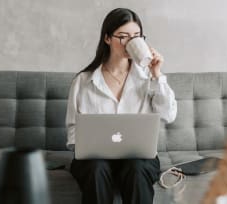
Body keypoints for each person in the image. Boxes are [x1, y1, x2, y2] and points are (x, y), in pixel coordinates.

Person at [65, 8, 178, 204]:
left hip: (138, 158)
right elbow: (73, 131)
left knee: (136, 168)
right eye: (123, 37)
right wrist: (87, 146)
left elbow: (169, 115)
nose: (131, 43)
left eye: (136, 37)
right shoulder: (83, 81)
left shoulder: (148, 78)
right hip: (94, 160)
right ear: (107, 38)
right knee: (96, 169)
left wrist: (157, 74)